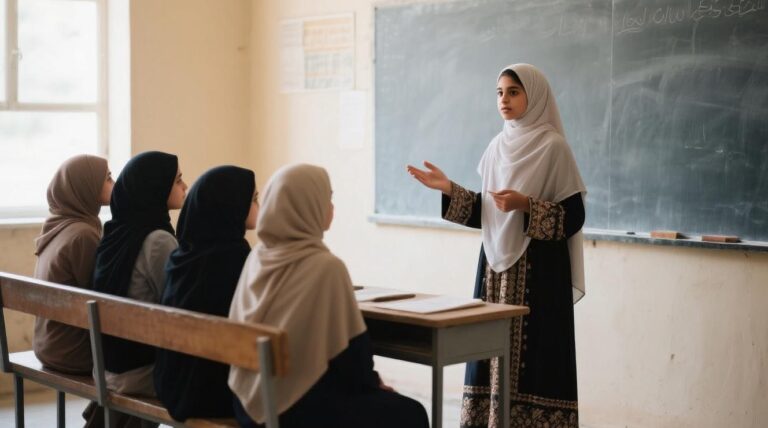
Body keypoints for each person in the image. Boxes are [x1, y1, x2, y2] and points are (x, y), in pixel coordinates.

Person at [407, 63, 586, 428]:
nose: (504, 100)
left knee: (537, 364)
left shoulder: (554, 147)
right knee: (487, 360)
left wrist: (526, 205)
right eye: (500, 93)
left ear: (533, 96)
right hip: (494, 273)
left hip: (540, 279)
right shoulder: (496, 146)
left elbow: (574, 217)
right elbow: (487, 213)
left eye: (514, 92)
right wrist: (449, 189)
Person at [228, 164, 429, 428]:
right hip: (291, 410)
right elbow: (353, 363)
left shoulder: (258, 257)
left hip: (249, 401)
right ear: (307, 206)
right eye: (328, 198)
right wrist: (376, 385)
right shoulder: (325, 266)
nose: (331, 207)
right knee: (411, 413)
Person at [154, 165, 258, 421]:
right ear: (230, 206)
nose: (259, 204)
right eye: (254, 199)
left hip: (173, 386)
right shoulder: (237, 260)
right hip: (214, 395)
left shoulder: (182, 257)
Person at [92, 151, 186, 406]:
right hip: (141, 373)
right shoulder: (158, 241)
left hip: (107, 367)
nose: (185, 187)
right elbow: (178, 306)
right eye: (178, 180)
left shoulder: (114, 233)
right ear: (156, 187)